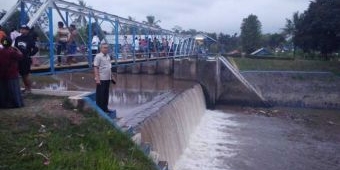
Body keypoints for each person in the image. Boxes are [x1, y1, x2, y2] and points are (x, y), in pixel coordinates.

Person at [0, 37, 24, 108]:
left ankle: (3, 104)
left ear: (2, 43)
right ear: (10, 43)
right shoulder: (13, 52)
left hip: (2, 74)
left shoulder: (0, 51)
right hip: (12, 74)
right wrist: (17, 49)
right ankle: (15, 103)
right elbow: (21, 56)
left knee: (3, 90)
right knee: (14, 90)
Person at [14, 24, 39, 94]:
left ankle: (29, 89)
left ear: (27, 30)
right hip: (18, 59)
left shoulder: (30, 39)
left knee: (25, 74)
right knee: (22, 74)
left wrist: (30, 54)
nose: (22, 30)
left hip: (26, 59)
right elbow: (15, 48)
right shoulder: (17, 38)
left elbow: (36, 48)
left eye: (24, 29)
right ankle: (26, 87)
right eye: (21, 29)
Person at [93, 43, 116, 113]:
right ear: (101, 48)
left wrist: (112, 76)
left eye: (107, 48)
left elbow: (109, 67)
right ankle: (99, 110)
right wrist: (97, 79)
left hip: (107, 78)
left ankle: (105, 108)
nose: (106, 49)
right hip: (101, 79)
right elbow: (96, 67)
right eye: (104, 48)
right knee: (100, 95)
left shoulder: (108, 56)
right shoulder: (98, 56)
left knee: (106, 94)